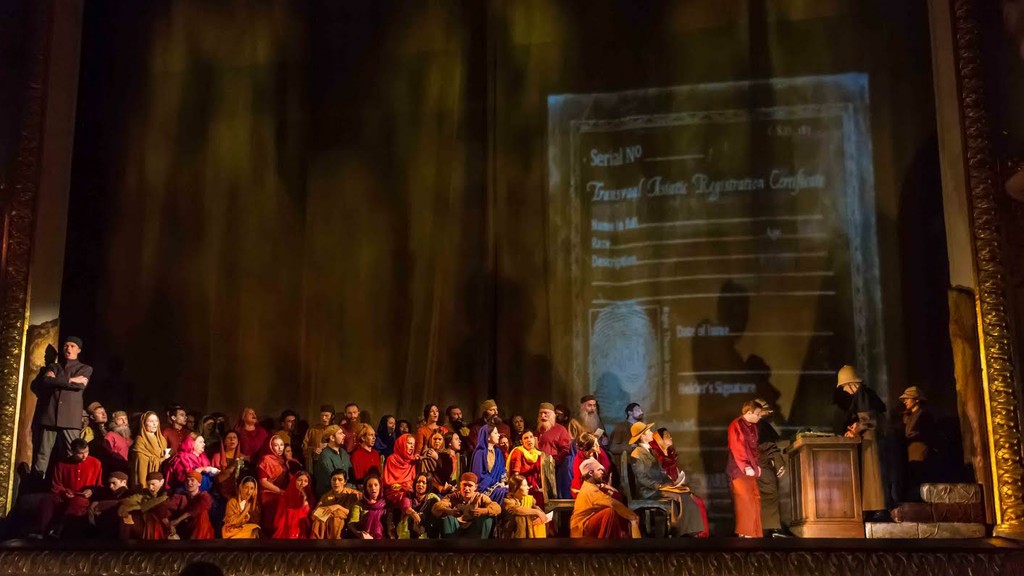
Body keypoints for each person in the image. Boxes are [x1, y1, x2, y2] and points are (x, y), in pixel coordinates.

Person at [630, 421, 707, 536]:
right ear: (642, 436)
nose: (651, 433)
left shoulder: (651, 451)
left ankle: (687, 529)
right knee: (679, 496)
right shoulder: (637, 453)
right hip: (648, 491)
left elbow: (661, 473)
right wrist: (660, 486)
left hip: (658, 488)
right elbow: (641, 477)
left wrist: (672, 484)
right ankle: (680, 530)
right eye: (648, 432)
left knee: (684, 493)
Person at [31, 336, 92, 476]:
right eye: (66, 345)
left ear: (79, 350)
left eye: (72, 346)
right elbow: (46, 381)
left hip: (70, 418)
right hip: (50, 416)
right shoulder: (54, 367)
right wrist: (71, 380)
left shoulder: (85, 368)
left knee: (73, 453)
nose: (68, 348)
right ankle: (36, 482)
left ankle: (71, 482)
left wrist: (56, 380)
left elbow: (80, 385)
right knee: (43, 453)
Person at [836, 365, 888, 519]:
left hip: (870, 439)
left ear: (851, 383)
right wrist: (855, 427)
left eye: (844, 386)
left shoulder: (863, 394)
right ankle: (873, 508)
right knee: (870, 474)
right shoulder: (864, 394)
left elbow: (868, 420)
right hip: (868, 437)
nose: (844, 390)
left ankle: (878, 508)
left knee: (872, 474)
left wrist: (855, 429)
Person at [48, 438, 103, 538]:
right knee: (47, 501)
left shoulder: (96, 463)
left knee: (78, 502)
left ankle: (60, 530)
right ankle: (40, 532)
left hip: (84, 498)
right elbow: (56, 485)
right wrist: (65, 492)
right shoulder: (62, 464)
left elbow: (100, 486)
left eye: (86, 452)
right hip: (64, 496)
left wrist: (92, 491)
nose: (84, 455)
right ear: (73, 452)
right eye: (80, 453)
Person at [571, 458, 638, 538]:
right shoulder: (590, 489)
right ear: (591, 473)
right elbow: (611, 503)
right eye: (599, 470)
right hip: (581, 528)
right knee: (609, 512)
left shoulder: (591, 486)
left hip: (586, 524)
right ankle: (605, 544)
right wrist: (632, 516)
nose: (602, 472)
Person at [727, 401, 763, 538]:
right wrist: (745, 466)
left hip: (751, 469)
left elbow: (754, 448)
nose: (760, 417)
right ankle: (746, 533)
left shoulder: (753, 427)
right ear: (749, 412)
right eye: (758, 414)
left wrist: (756, 465)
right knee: (745, 500)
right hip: (739, 469)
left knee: (755, 499)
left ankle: (754, 533)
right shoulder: (736, 424)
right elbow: (737, 447)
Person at [752, 399, 787, 536]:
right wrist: (778, 462)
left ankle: (766, 528)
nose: (768, 414)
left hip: (758, 465)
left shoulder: (754, 425)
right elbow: (768, 446)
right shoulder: (761, 425)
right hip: (762, 466)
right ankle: (770, 528)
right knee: (769, 493)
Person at [432, 472, 502, 539]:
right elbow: (436, 507)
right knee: (445, 515)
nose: (466, 488)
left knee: (488, 518)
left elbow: (497, 508)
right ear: (460, 485)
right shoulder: (453, 496)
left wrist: (483, 511)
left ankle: (481, 544)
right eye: (464, 485)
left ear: (475, 487)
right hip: (455, 530)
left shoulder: (480, 497)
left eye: (470, 486)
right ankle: (449, 544)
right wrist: (450, 511)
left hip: (474, 531)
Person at [900, 386, 936, 500]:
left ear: (916, 400)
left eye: (908, 398)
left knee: (919, 478)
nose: (905, 401)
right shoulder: (907, 416)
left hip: (920, 451)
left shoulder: (924, 415)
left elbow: (929, 433)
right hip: (908, 452)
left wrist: (917, 434)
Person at [118, 471, 173, 540]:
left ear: (162, 482)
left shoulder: (168, 494)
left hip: (164, 524)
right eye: (148, 485)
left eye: (153, 484)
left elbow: (156, 504)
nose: (150, 487)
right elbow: (128, 501)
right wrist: (125, 506)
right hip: (145, 523)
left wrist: (134, 507)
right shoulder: (145, 492)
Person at [311, 469, 361, 539]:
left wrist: (337, 507)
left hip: (346, 525)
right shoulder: (325, 496)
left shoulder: (353, 494)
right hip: (327, 526)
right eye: (334, 479)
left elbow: (353, 513)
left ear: (345, 482)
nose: (336, 482)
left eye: (340, 480)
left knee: (337, 516)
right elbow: (314, 513)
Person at [536, 403, 572, 499]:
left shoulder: (560, 429)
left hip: (553, 468)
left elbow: (566, 449)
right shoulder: (538, 430)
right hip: (537, 467)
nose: (543, 416)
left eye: (546, 413)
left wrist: (554, 460)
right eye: (540, 413)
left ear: (552, 415)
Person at [496, 474, 548, 539]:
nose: (528, 487)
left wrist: (539, 517)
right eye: (524, 485)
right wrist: (537, 512)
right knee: (520, 518)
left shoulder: (529, 500)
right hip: (512, 538)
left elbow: (541, 512)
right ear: (516, 488)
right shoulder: (507, 501)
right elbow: (517, 510)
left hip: (529, 538)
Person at [167, 471, 215, 540]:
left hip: (202, 532)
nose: (189, 483)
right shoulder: (181, 496)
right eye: (187, 480)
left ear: (199, 483)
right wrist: (169, 524)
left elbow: (196, 509)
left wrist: (178, 520)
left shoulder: (205, 496)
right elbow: (163, 507)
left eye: (192, 480)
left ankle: (197, 544)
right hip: (184, 529)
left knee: (202, 514)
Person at [257, 435, 289, 531]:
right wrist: (280, 491)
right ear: (270, 446)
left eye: (281, 445)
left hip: (281, 491)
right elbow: (263, 481)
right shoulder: (265, 460)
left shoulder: (282, 459)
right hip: (268, 492)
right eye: (276, 445)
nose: (280, 448)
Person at [130, 411, 169, 488]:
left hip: (160, 473)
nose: (155, 424)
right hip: (146, 476)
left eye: (156, 421)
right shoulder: (140, 440)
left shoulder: (161, 439)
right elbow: (141, 459)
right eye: (151, 421)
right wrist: (160, 460)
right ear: (144, 423)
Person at [347, 475, 394, 539]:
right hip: (364, 539)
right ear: (366, 488)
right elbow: (352, 523)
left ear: (380, 486)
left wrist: (391, 534)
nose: (373, 488)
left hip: (383, 539)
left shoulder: (386, 504)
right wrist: (359, 533)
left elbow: (389, 523)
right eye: (370, 486)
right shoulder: (359, 504)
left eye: (376, 485)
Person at [470, 425, 508, 505]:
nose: (498, 435)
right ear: (488, 437)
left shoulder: (498, 452)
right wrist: (496, 484)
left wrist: (503, 483)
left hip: (498, 486)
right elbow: (479, 475)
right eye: (495, 433)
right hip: (485, 487)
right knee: (503, 493)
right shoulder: (480, 453)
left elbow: (502, 470)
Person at [395, 473, 441, 539]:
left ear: (428, 485)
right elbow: (406, 507)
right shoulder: (408, 494)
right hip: (408, 531)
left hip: (427, 530)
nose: (420, 484)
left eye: (423, 483)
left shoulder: (432, 497)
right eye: (418, 482)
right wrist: (414, 514)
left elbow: (438, 508)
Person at [87, 471, 131, 538]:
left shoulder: (128, 494)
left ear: (124, 482)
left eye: (114, 483)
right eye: (110, 483)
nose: (111, 486)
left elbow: (124, 502)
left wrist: (100, 505)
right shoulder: (108, 493)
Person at [507, 430, 545, 506]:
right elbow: (515, 476)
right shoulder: (518, 451)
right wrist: (524, 487)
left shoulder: (538, 454)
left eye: (531, 437)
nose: (529, 440)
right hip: (521, 488)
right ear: (521, 442)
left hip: (534, 488)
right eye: (526, 438)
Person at [570, 433, 614, 497]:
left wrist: (608, 486)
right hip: (585, 488)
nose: (598, 445)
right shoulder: (579, 460)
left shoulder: (600, 452)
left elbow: (608, 470)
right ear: (588, 448)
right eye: (595, 445)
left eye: (597, 443)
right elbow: (580, 480)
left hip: (602, 484)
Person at [314, 425, 352, 498]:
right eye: (340, 433)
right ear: (332, 438)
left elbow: (350, 472)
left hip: (345, 491)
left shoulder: (344, 453)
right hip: (331, 495)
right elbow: (332, 480)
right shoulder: (325, 455)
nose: (344, 435)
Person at [272, 470, 313, 539]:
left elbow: (308, 515)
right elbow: (280, 517)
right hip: (287, 528)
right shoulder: (285, 497)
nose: (302, 483)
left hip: (303, 527)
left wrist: (305, 499)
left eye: (305, 481)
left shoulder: (310, 497)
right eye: (299, 480)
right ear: (294, 481)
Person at [383, 433, 418, 507]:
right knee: (406, 497)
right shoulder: (392, 459)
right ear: (402, 444)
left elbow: (413, 480)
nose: (412, 446)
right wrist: (403, 487)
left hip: (409, 489)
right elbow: (388, 482)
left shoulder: (412, 461)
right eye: (409, 443)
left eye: (413, 444)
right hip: (394, 491)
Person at [211, 430, 246, 500]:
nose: (232, 439)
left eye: (234, 437)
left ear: (238, 441)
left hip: (238, 489)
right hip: (220, 489)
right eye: (229, 438)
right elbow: (214, 476)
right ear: (224, 442)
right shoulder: (217, 456)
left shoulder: (243, 458)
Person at [301, 405, 335, 471]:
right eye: (322, 415)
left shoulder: (336, 430)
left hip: (332, 464)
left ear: (332, 416)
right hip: (316, 464)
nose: (323, 418)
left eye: (326, 416)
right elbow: (304, 447)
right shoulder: (313, 430)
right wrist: (313, 449)